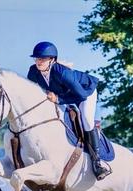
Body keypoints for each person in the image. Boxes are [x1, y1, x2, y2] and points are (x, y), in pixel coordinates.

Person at [27, 41, 111, 180]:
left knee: (87, 121)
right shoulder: (33, 72)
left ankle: (97, 162)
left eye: (42, 58)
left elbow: (81, 96)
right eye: (37, 58)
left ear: (52, 60)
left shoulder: (63, 73)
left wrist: (58, 99)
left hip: (85, 92)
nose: (38, 61)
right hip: (64, 94)